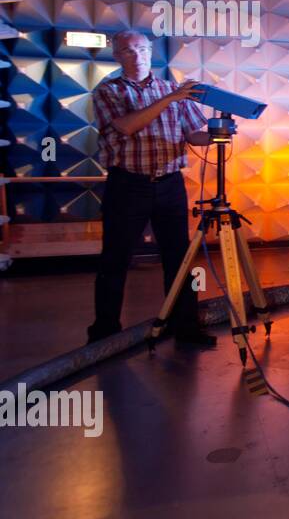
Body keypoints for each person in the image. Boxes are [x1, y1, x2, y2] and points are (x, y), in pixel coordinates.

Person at [86, 29, 216, 348]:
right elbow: (128, 125)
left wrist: (218, 134)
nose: (138, 56)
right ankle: (104, 334)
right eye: (129, 51)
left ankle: (185, 326)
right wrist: (171, 98)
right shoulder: (109, 91)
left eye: (142, 50)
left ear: (150, 52)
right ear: (117, 56)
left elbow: (192, 135)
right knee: (115, 261)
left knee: (179, 259)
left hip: (170, 184)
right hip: (128, 185)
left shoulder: (171, 89)